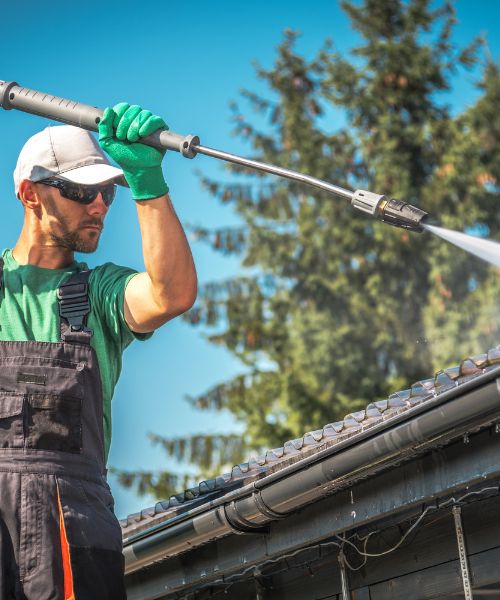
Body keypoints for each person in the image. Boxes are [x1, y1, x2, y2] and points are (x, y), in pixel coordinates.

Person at [0, 103, 197, 599]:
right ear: (30, 194)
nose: (99, 207)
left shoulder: (100, 293)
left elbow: (169, 295)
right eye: (82, 191)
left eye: (108, 193)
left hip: (75, 525)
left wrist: (147, 183)